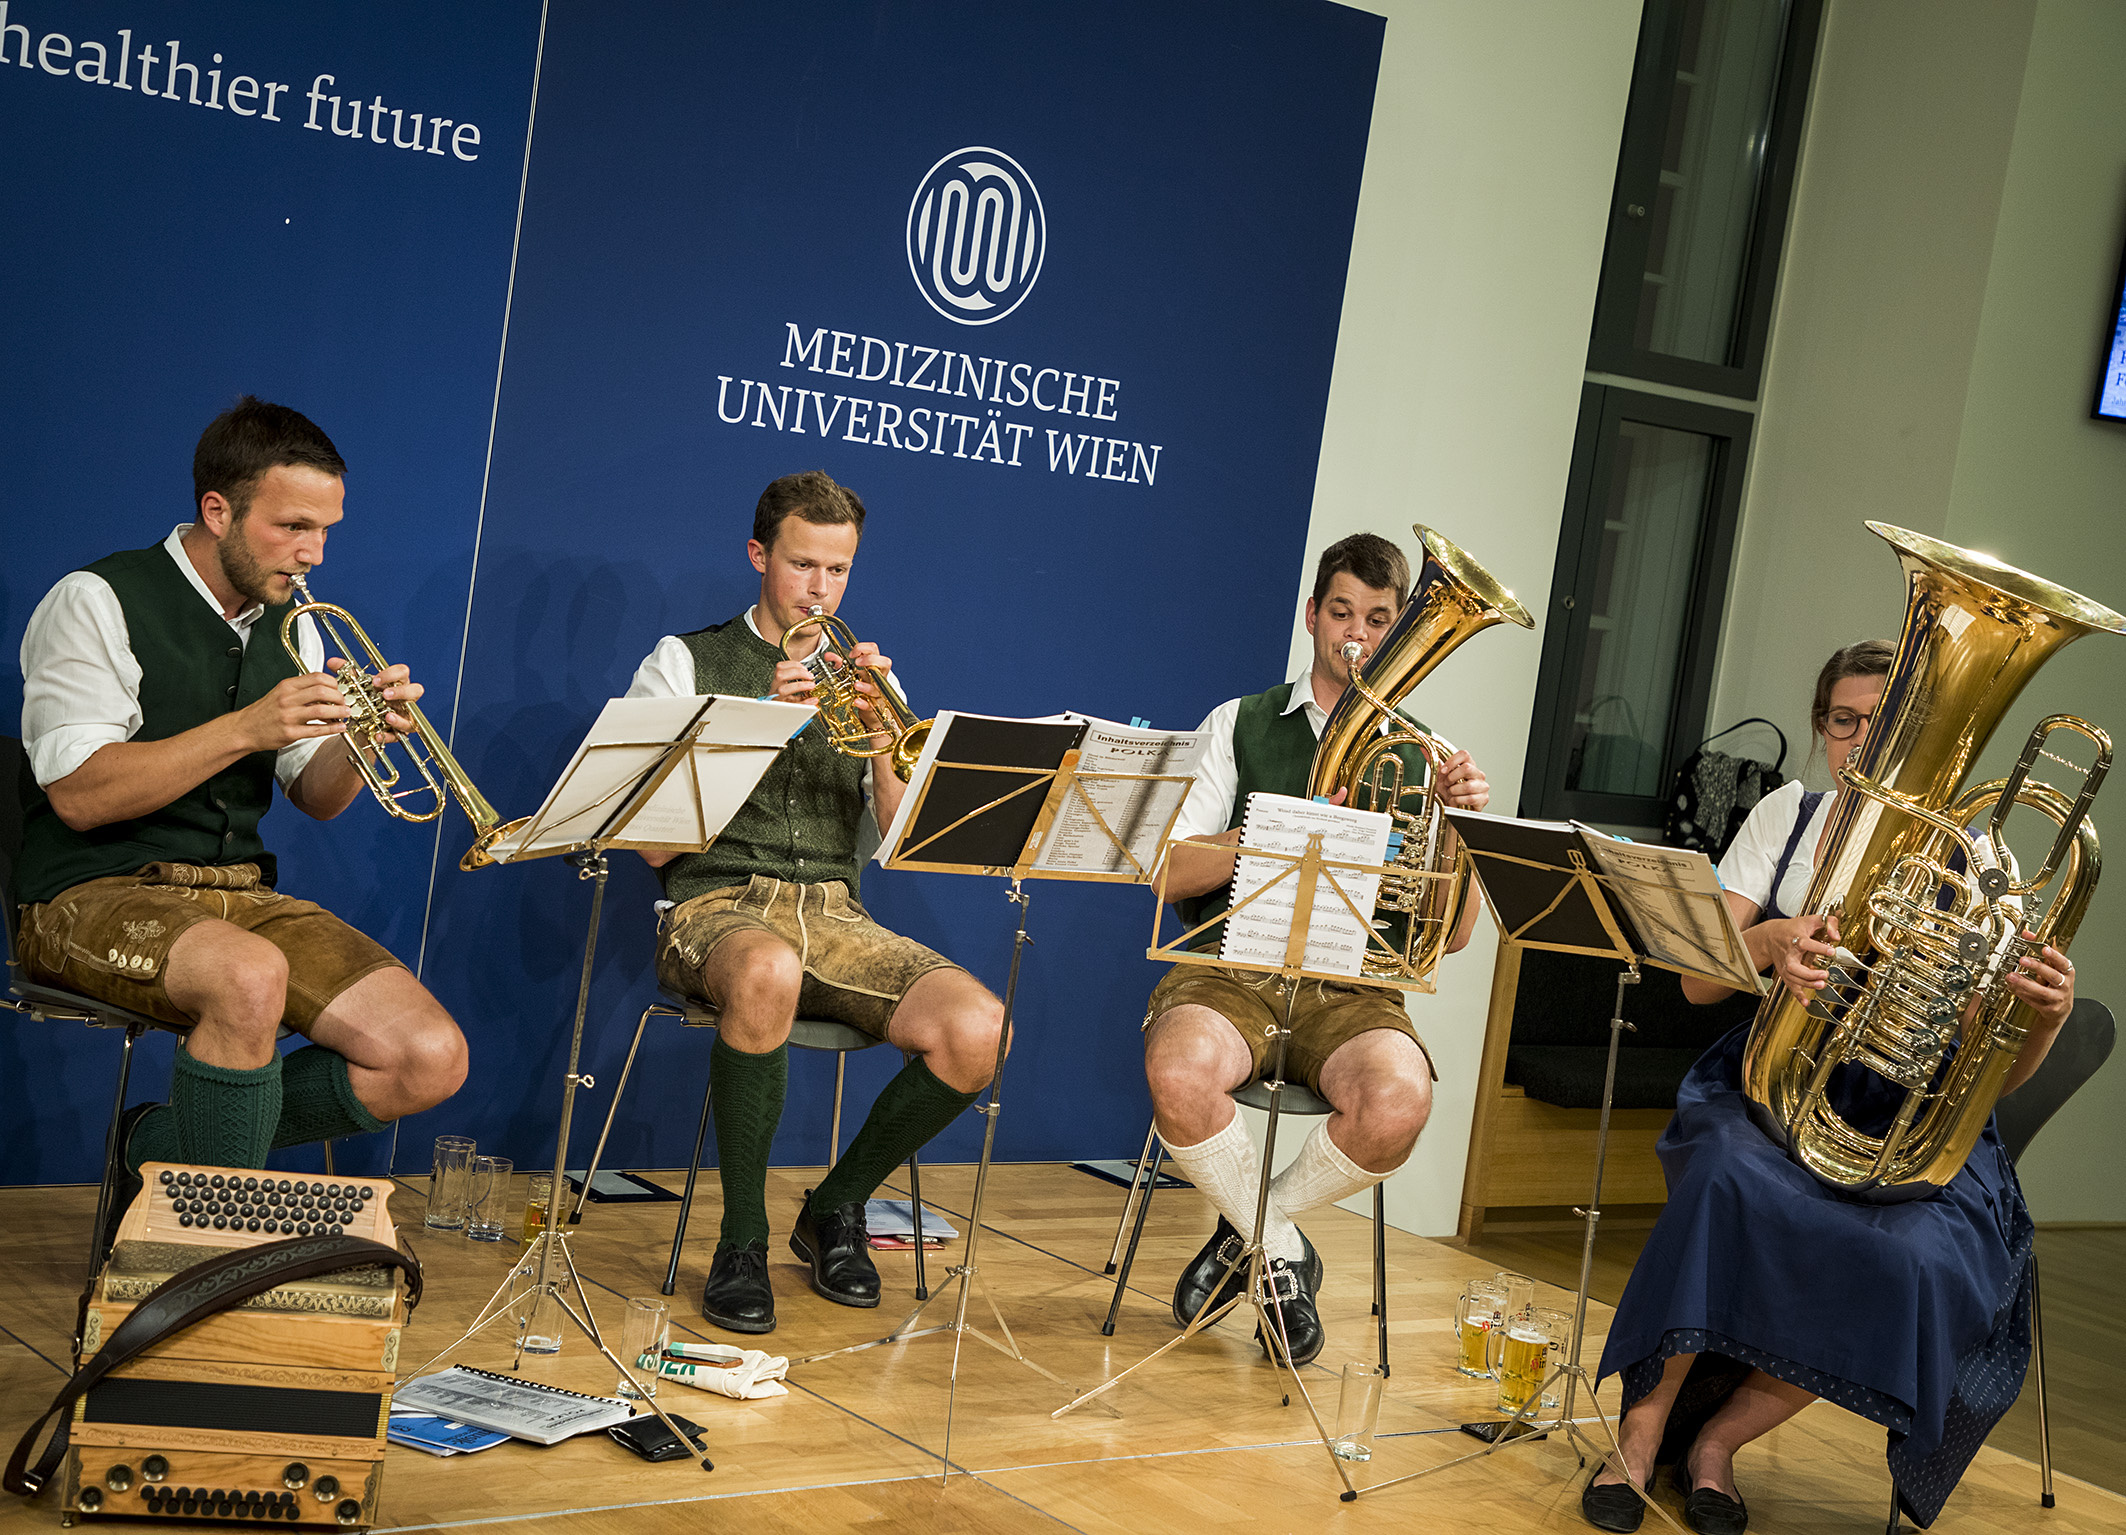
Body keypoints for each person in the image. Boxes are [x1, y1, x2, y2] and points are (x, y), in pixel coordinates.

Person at [1584, 640, 2078, 1535]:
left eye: (1883, 723)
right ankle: (1642, 1429)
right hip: (1779, 1081)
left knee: (1915, 1259)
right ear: (1822, 729)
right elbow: (1696, 981)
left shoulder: (1980, 855)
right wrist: (1771, 943)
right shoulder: (1789, 815)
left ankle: (1718, 1442)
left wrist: (2041, 1019)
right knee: (1723, 1181)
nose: (1862, 740)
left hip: (1911, 1118)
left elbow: (1993, 1073)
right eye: (1844, 721)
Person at [14, 397, 469, 1228]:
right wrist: (246, 728)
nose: (313, 553)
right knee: (250, 978)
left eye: (325, 530)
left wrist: (361, 738)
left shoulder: (296, 625)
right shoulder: (97, 600)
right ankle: (210, 1256)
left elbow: (316, 797)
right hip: (87, 890)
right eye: (292, 526)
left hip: (236, 894)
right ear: (218, 510)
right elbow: (78, 795)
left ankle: (160, 1145)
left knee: (428, 1056)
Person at [627, 468, 1004, 1335]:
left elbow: (903, 838)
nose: (820, 589)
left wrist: (882, 739)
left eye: (838, 570)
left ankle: (836, 1203)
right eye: (802, 564)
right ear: (758, 555)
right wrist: (759, 721)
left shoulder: (866, 677)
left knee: (980, 1027)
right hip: (714, 904)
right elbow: (651, 843)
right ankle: (742, 1241)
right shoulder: (683, 660)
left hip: (835, 911)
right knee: (769, 968)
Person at [1142, 532, 1492, 1366]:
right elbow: (1168, 871)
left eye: (1377, 620)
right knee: (1178, 1071)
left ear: (1398, 630)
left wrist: (1463, 827)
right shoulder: (1240, 721)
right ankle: (1281, 1250)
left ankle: (1251, 1237)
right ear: (1311, 616)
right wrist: (1276, 832)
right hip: (1232, 969)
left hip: (1356, 988)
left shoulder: (1428, 753)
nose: (1356, 635)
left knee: (1401, 1099)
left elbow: (1454, 934)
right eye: (1341, 612)